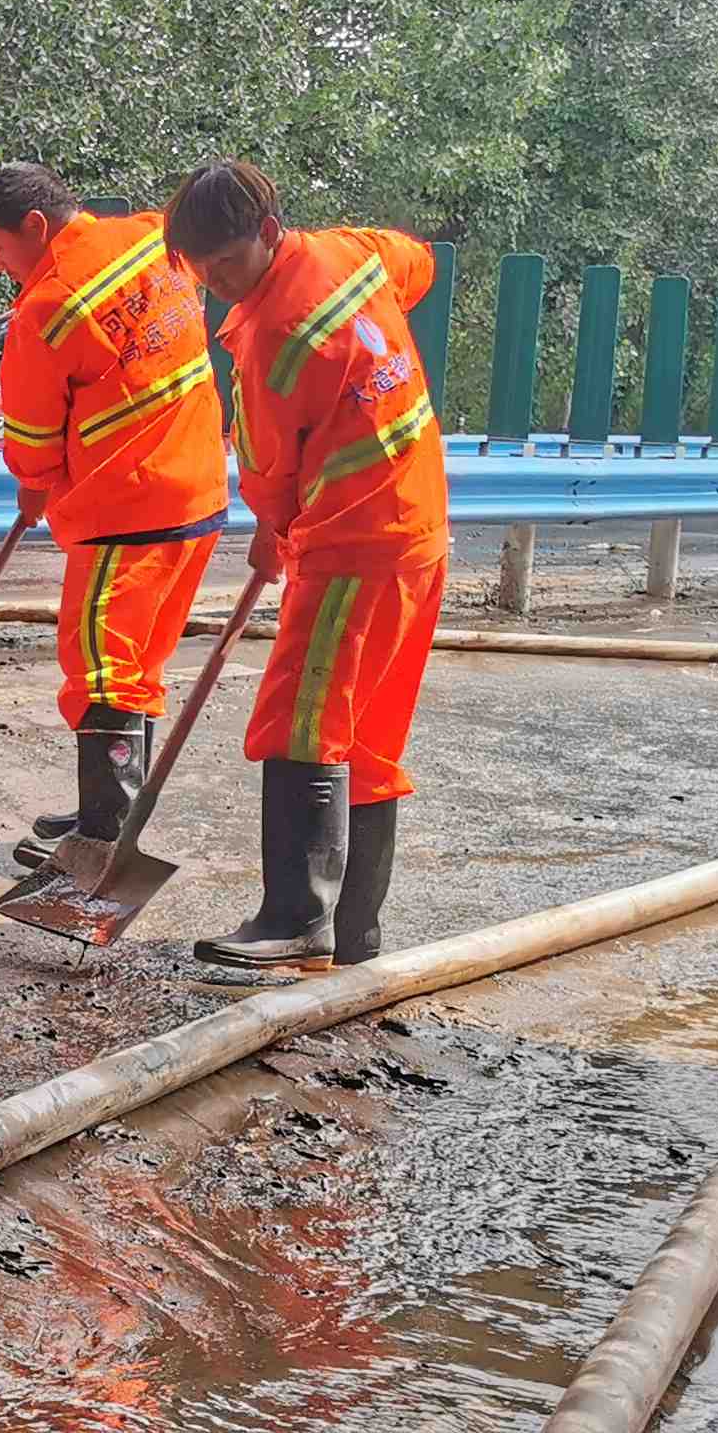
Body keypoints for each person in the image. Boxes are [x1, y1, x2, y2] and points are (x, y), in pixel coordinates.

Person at [162, 157, 449, 969]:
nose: (217, 283)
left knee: (299, 722)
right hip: (417, 529)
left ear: (266, 231)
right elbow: (417, 263)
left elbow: (266, 469)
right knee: (366, 733)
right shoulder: (354, 254)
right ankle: (355, 930)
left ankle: (294, 919)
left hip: (352, 544)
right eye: (201, 269)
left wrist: (274, 529)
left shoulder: (273, 335)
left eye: (226, 263)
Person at [0, 162, 227, 872]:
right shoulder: (152, 237)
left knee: (101, 669)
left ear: (35, 226)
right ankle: (110, 809)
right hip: (199, 493)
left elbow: (31, 434)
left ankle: (104, 838)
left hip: (125, 509)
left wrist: (32, 483)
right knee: (139, 664)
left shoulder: (47, 308)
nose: (0, 266)